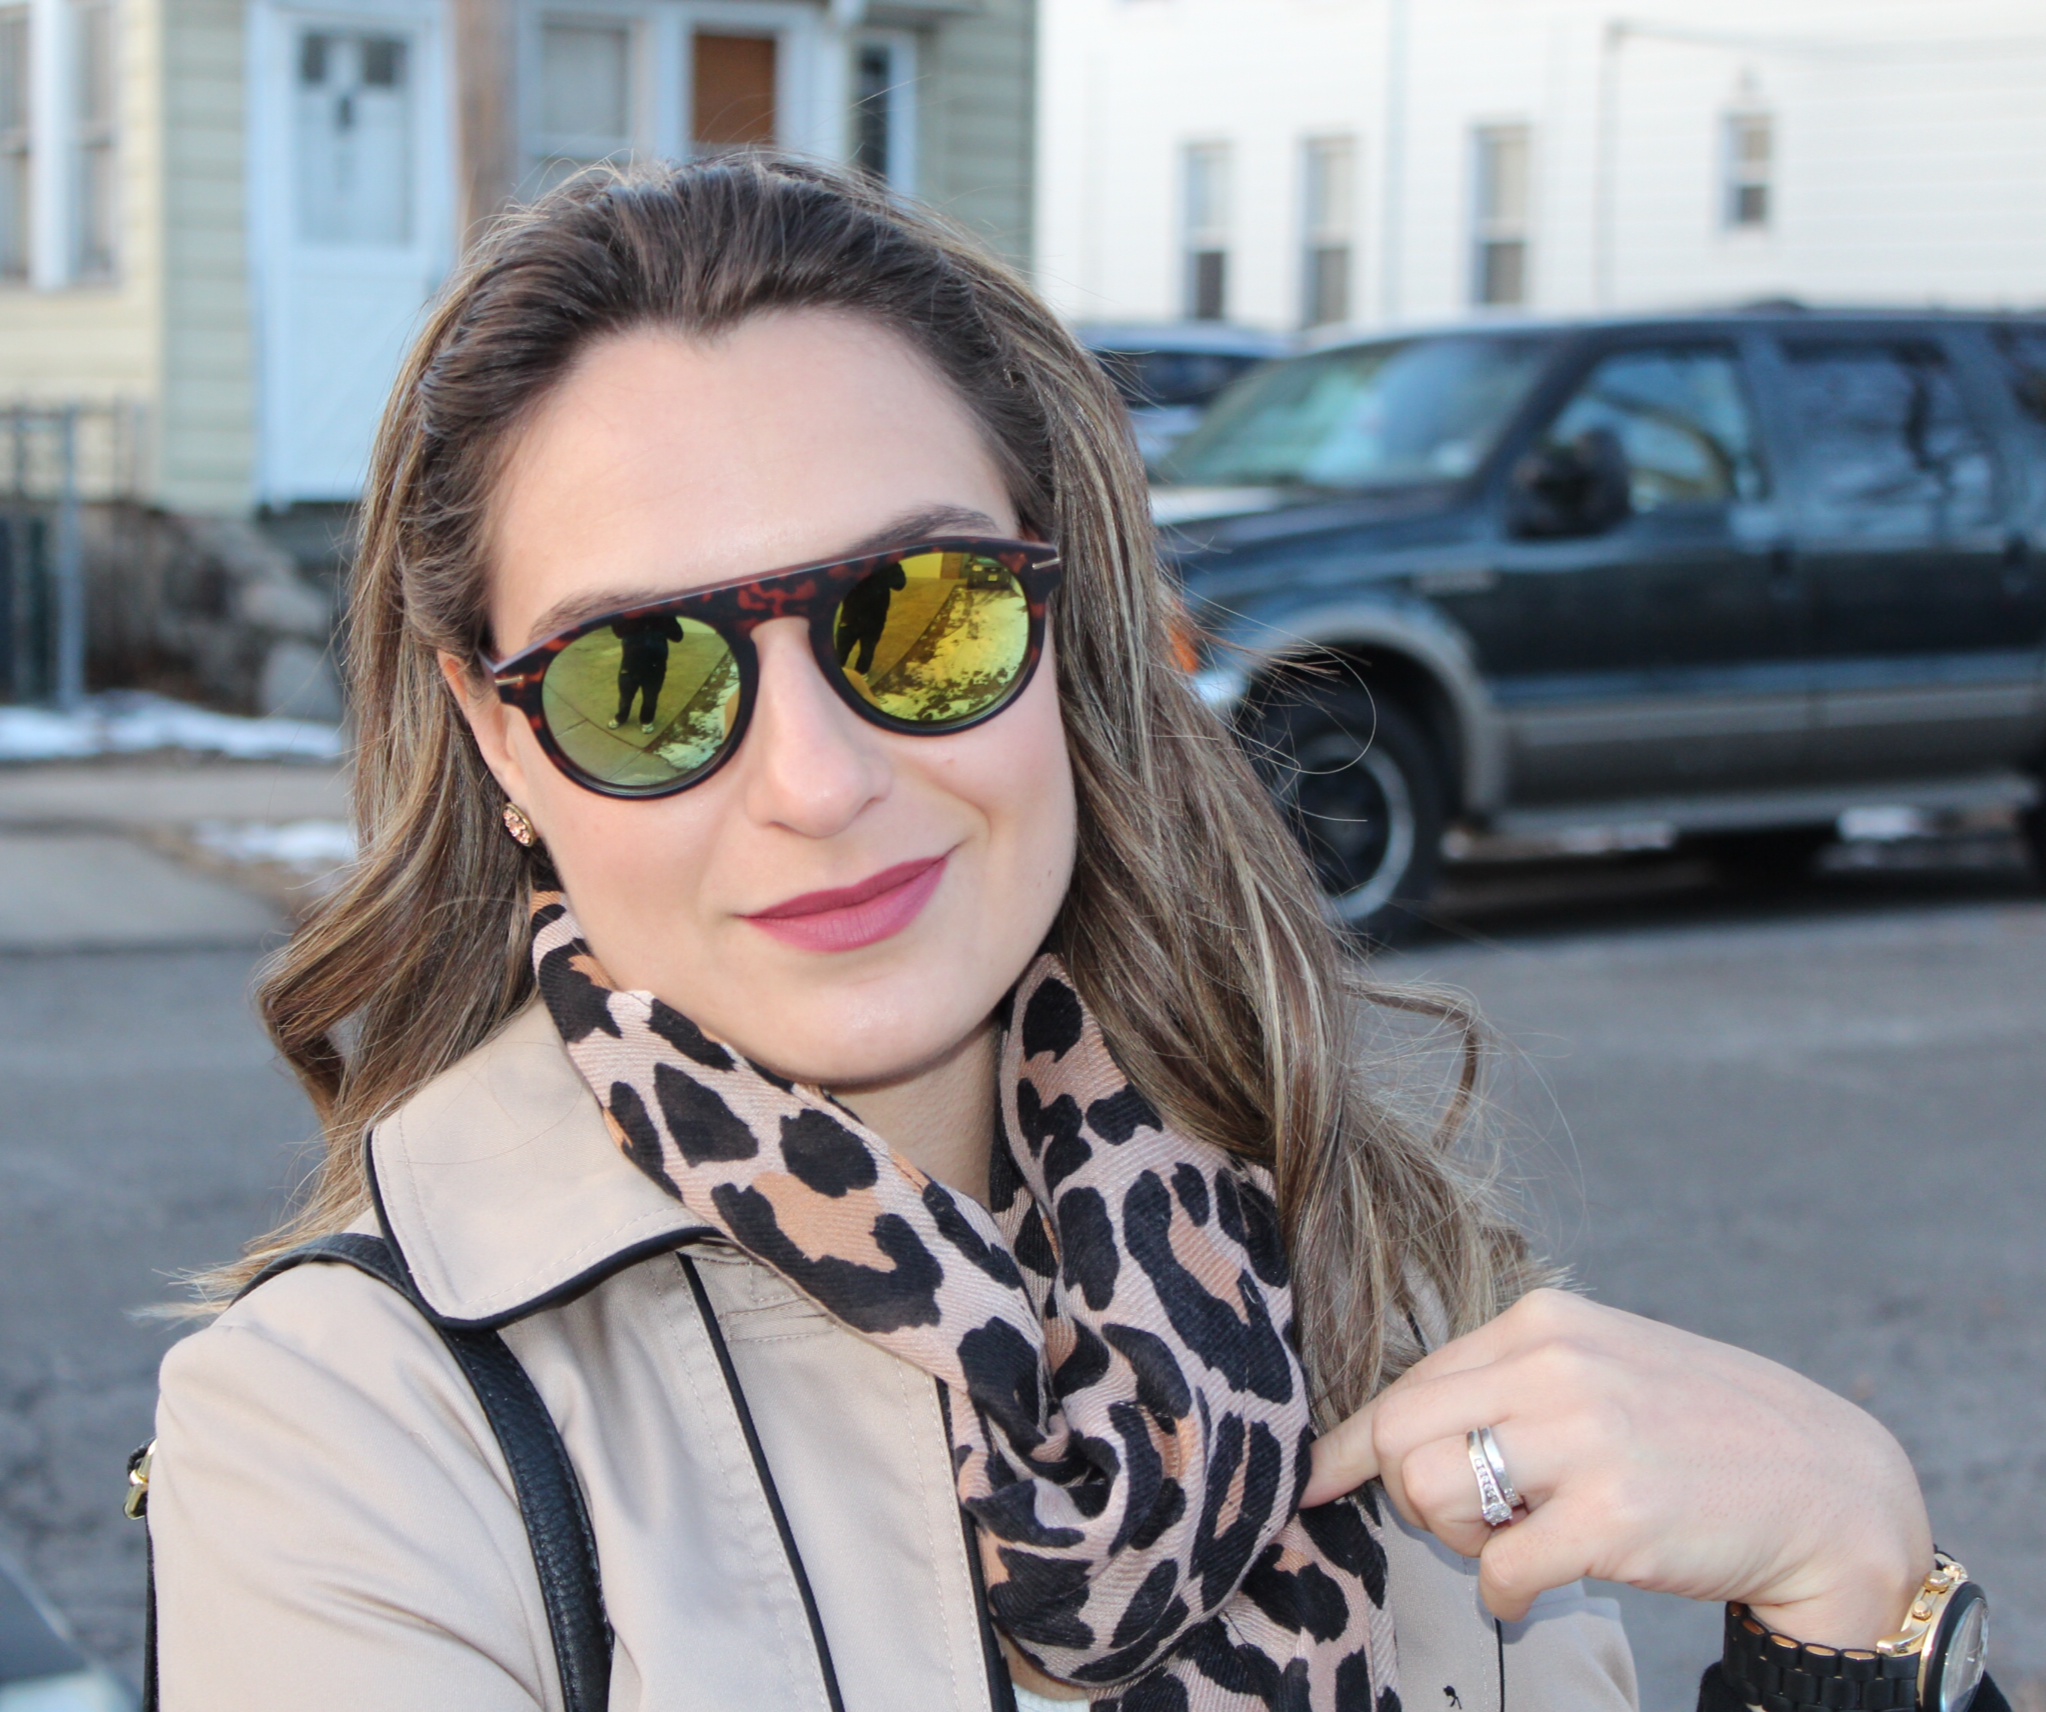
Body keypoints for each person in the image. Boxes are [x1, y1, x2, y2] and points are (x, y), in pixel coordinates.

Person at [143, 160, 2002, 1712]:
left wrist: (1852, 1606)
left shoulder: (1359, 1287)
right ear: (497, 740)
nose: (817, 780)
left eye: (921, 614)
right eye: (645, 675)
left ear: (1057, 628)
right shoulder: (357, 1443)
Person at [610, 612, 686, 732]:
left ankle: (646, 720)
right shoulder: (629, 614)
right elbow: (618, 632)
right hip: (630, 666)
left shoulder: (663, 615)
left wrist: (664, 619)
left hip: (655, 667)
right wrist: (637, 619)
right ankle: (621, 717)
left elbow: (678, 637)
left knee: (651, 698)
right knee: (625, 697)